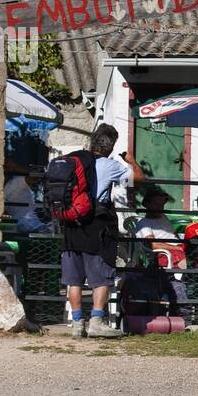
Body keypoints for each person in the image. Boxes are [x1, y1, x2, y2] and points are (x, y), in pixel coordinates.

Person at [61, 123, 145, 339]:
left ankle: (77, 324)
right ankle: (97, 321)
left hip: (71, 225)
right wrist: (131, 160)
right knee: (102, 278)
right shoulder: (110, 165)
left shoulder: (74, 160)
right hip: (96, 227)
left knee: (74, 279)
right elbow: (139, 178)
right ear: (110, 145)